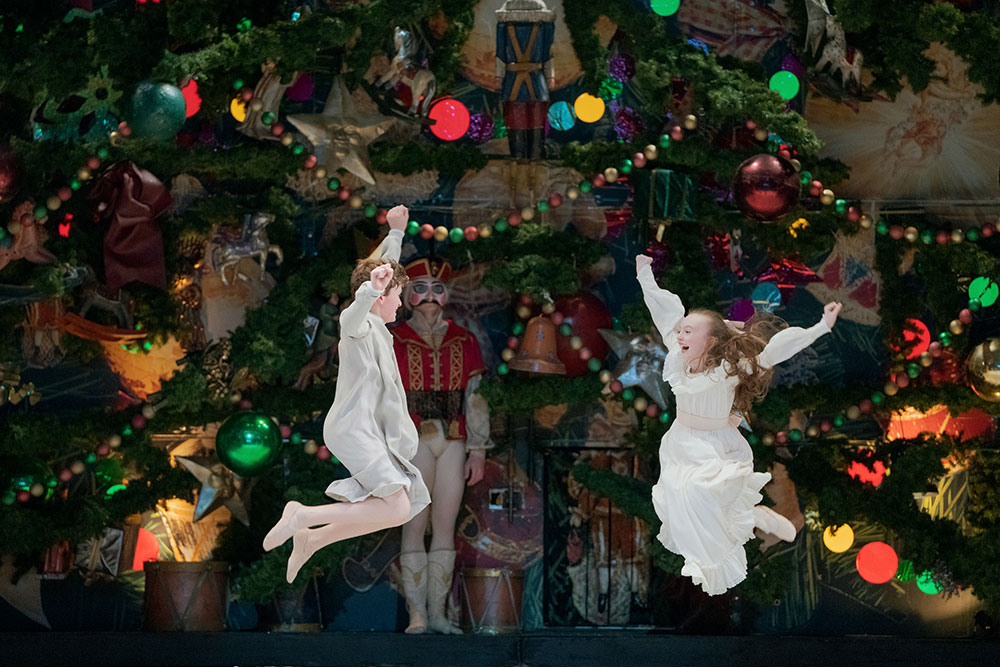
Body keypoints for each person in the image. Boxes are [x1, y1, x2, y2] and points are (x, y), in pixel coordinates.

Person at [636, 253, 841, 595]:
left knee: (703, 492)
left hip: (715, 443)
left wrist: (821, 327)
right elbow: (662, 310)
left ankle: (755, 516)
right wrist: (645, 273)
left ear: (711, 341)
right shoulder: (677, 353)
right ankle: (738, 529)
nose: (681, 334)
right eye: (682, 330)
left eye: (689, 331)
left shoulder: (732, 368)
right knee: (675, 500)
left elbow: (775, 351)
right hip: (682, 440)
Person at [263, 206, 430, 584]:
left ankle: (313, 538)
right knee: (400, 505)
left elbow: (385, 269)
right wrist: (371, 289)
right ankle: (301, 516)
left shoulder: (378, 325)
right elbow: (355, 310)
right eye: (397, 296)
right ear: (376, 296)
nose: (400, 304)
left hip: (367, 431)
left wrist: (396, 234)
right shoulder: (358, 325)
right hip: (351, 429)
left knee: (398, 507)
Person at [390, 257, 490, 634]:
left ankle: (438, 615)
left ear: (446, 294)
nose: (428, 295)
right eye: (420, 287)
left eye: (436, 287)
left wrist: (478, 448)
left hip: (453, 440)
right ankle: (416, 614)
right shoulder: (394, 339)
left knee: (445, 526)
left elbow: (476, 397)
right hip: (413, 439)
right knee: (415, 524)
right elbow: (384, 396)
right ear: (407, 294)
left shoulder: (464, 339)